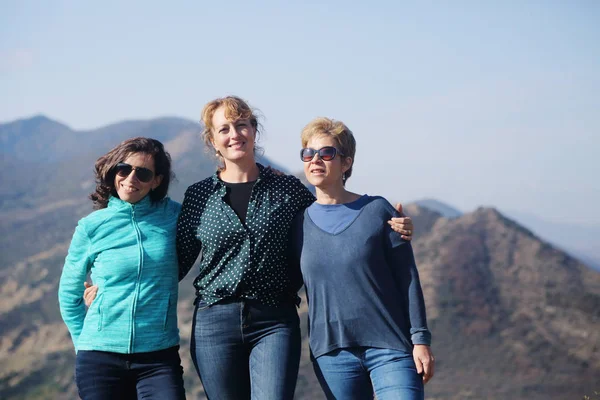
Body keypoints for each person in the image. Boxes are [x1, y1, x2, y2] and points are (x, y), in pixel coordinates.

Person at [175, 96, 415, 399]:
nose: (234, 135)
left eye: (241, 125)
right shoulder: (199, 196)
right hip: (214, 322)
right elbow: (174, 264)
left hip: (274, 320)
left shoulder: (287, 189)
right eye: (224, 129)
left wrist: (389, 228)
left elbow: (330, 223)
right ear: (213, 140)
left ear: (254, 130)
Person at [291, 117, 434, 400]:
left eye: (327, 152)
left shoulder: (378, 211)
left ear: (346, 163)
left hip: (391, 348)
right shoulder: (298, 224)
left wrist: (420, 340)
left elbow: (407, 278)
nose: (315, 159)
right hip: (331, 355)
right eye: (309, 153)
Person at [58, 137, 186, 400]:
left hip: (158, 358)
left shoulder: (174, 216)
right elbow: (68, 293)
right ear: (114, 171)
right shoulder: (91, 226)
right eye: (124, 169)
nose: (131, 178)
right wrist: (84, 343)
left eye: (143, 172)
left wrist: (264, 177)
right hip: (99, 360)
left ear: (156, 181)